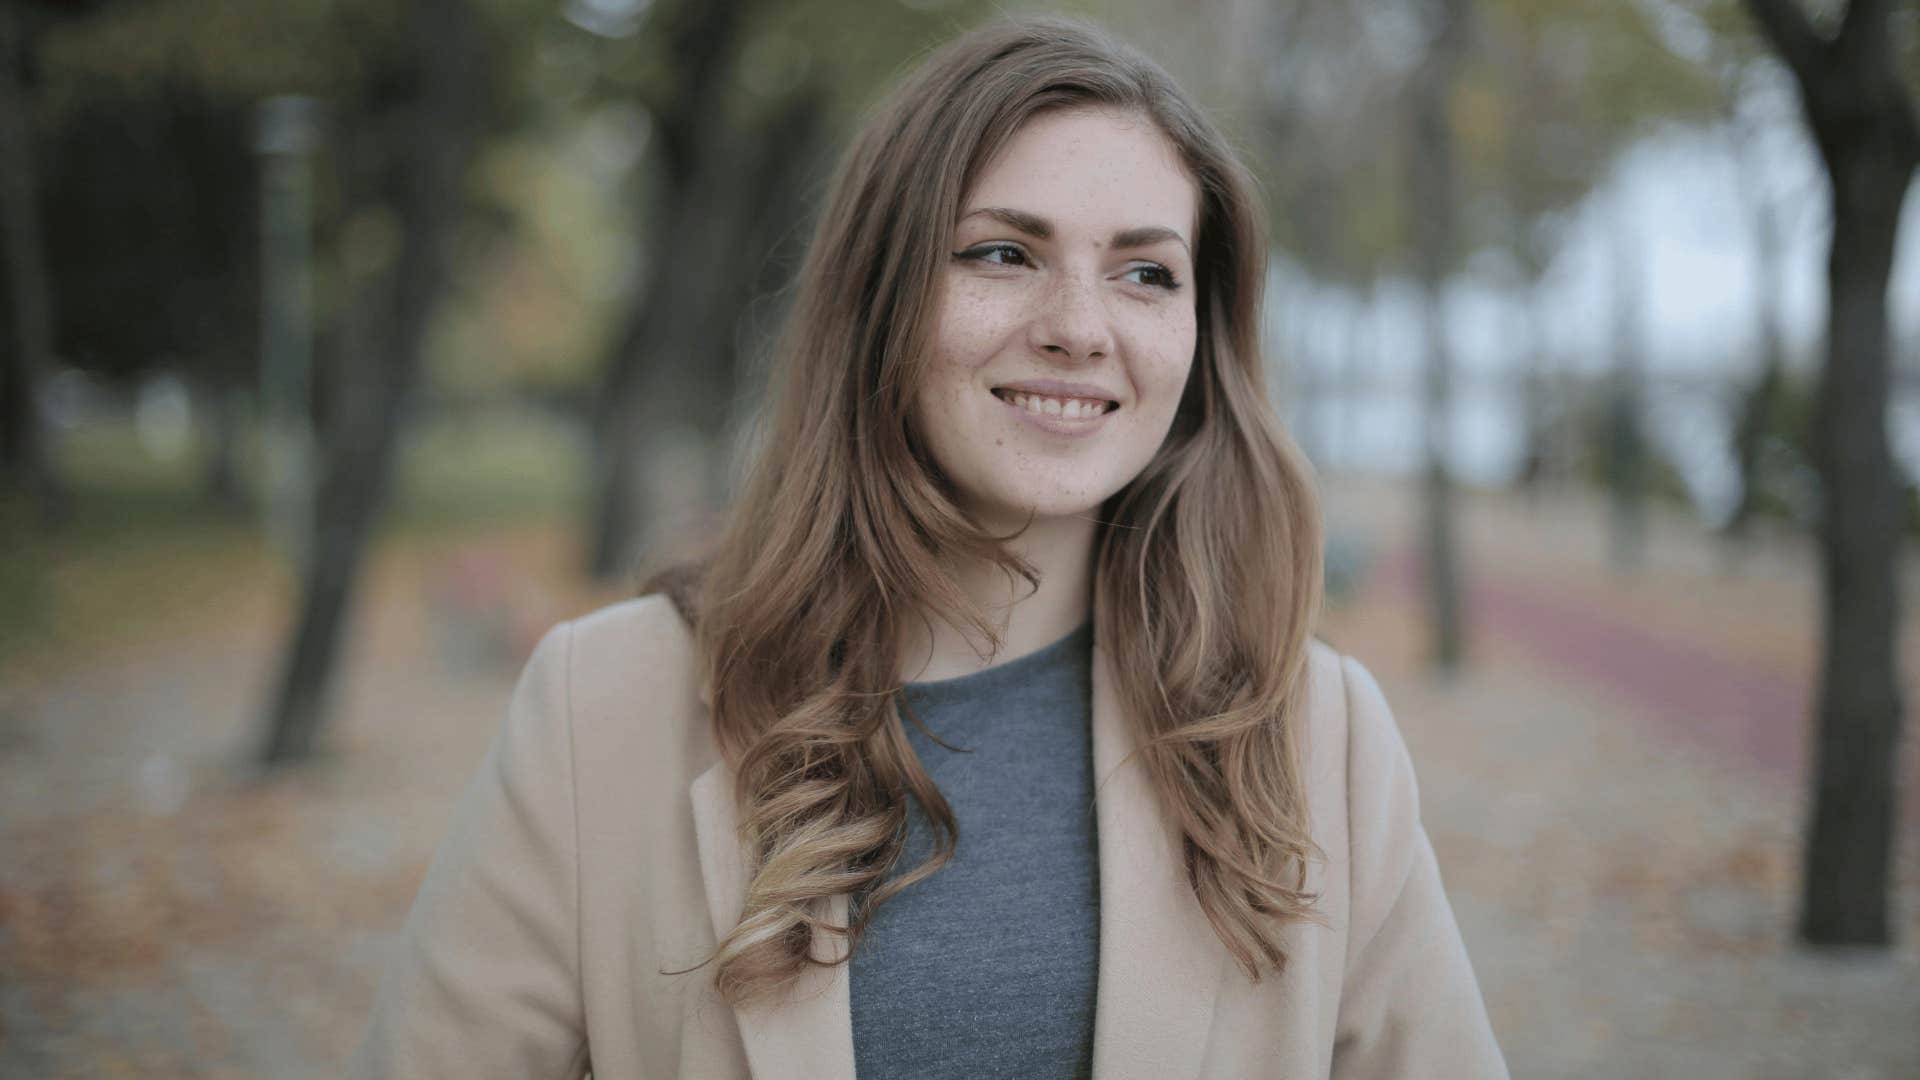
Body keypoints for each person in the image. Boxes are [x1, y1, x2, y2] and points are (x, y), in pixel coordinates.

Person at [350, 15, 1507, 1079]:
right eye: (1003, 253)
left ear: (1201, 343)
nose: (1077, 327)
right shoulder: (597, 708)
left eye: (1146, 273)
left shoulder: (1319, 738)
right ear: (880, 296)